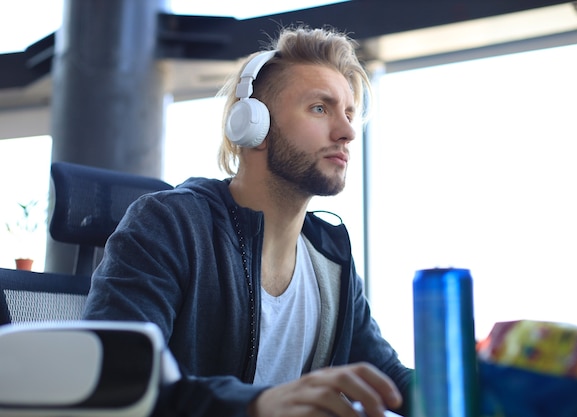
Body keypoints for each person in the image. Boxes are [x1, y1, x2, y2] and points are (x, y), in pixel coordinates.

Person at [82, 24, 413, 417]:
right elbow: (114, 375)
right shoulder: (171, 225)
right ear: (254, 125)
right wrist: (258, 404)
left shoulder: (331, 259)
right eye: (319, 108)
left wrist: (487, 380)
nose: (346, 132)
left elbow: (388, 377)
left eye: (348, 113)